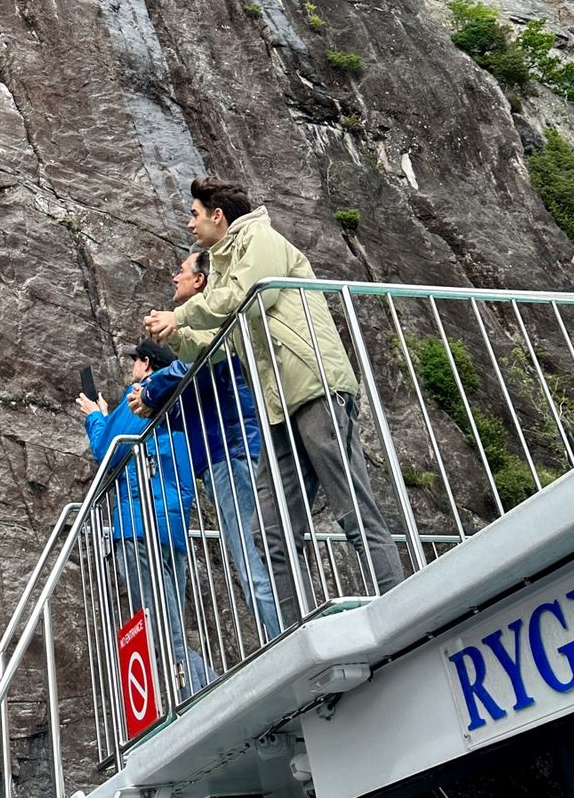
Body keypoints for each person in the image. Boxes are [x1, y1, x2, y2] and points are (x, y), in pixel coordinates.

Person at [144, 176, 404, 622]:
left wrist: (180, 312)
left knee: (352, 506)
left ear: (217, 215)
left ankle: (400, 606)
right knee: (271, 531)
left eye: (194, 213)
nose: (189, 223)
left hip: (314, 385)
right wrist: (178, 333)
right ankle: (296, 633)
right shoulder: (225, 266)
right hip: (279, 407)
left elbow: (248, 295)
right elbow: (218, 344)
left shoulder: (259, 238)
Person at [128, 249, 280, 639]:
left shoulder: (210, 326)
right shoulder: (201, 329)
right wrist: (156, 403)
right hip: (219, 451)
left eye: (181, 271)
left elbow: (188, 368)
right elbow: (191, 396)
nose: (174, 278)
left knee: (253, 559)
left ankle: (290, 633)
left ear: (200, 280)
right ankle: (287, 630)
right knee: (252, 555)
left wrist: (149, 392)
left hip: (231, 448)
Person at [78, 341, 209, 700]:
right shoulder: (180, 406)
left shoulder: (140, 396)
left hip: (138, 526)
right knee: (171, 625)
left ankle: (203, 695)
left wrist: (95, 415)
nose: (132, 367)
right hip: (172, 528)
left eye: (135, 360)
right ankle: (200, 692)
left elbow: (107, 449)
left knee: (165, 631)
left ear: (146, 364)